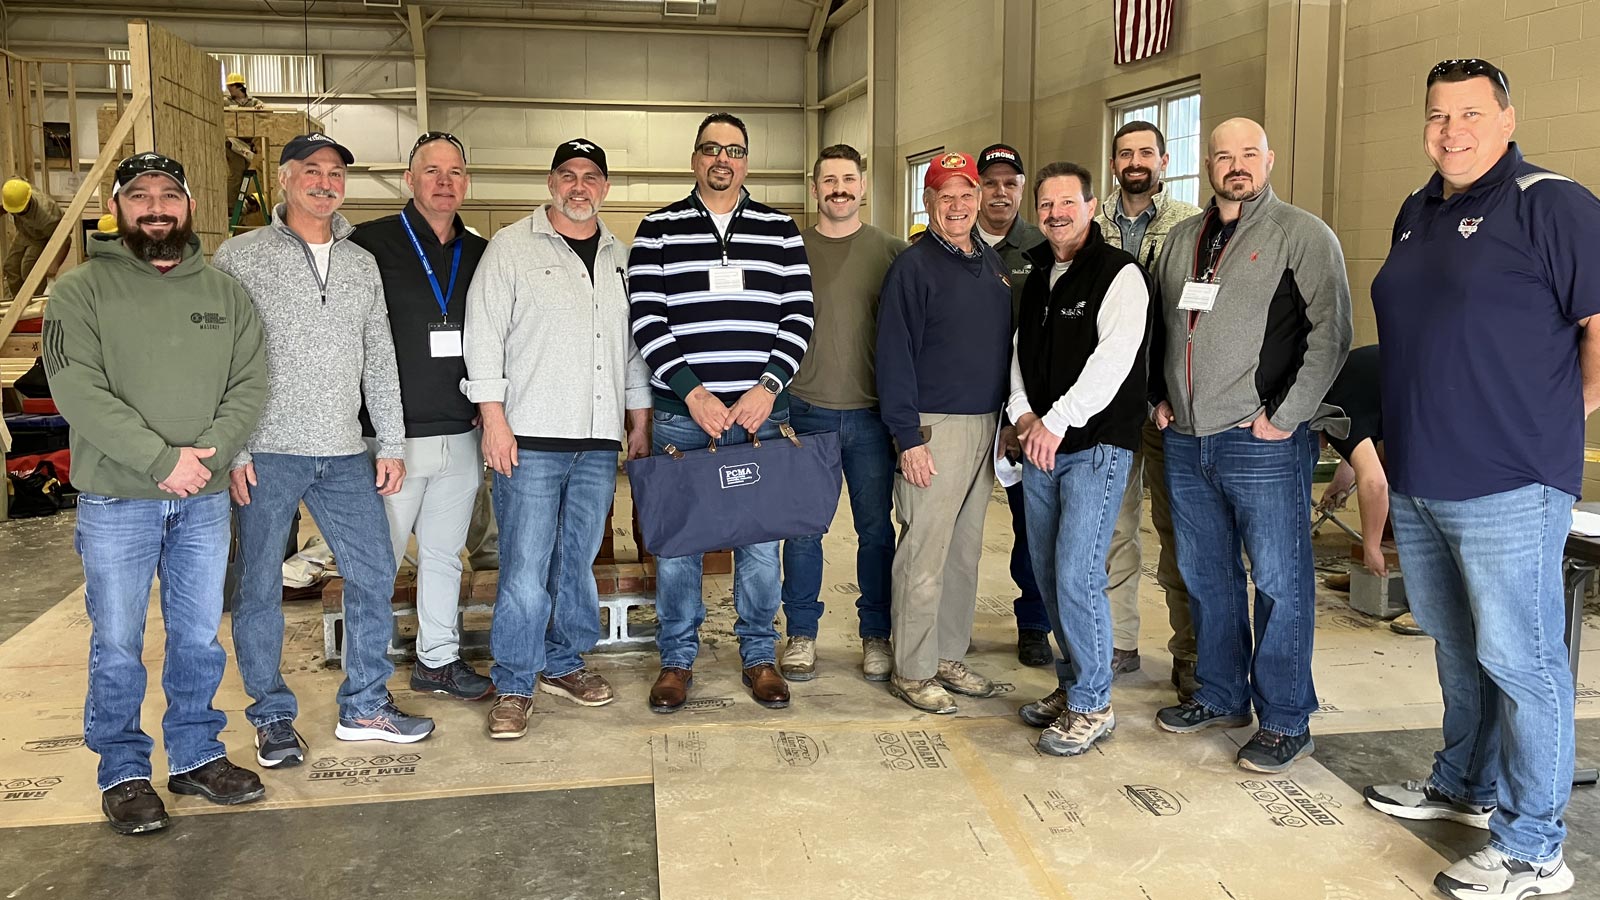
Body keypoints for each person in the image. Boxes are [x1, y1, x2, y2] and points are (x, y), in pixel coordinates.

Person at [1362, 58, 1599, 899]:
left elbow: (1598, 330)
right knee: (1459, 647)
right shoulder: (1415, 210)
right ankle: (1464, 782)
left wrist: (1553, 419)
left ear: (1506, 118)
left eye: (1469, 113)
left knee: (1523, 660)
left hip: (1508, 480)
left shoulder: (1552, 202)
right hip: (1424, 474)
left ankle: (1535, 848)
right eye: (1436, 116)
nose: (1450, 130)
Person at [45, 152, 268, 835]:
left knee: (199, 636)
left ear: (189, 206)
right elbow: (75, 390)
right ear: (119, 208)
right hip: (119, 500)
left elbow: (250, 383)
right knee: (117, 640)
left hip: (201, 499)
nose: (155, 206)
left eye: (169, 193)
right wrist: (159, 460)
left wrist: (208, 458)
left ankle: (196, 754)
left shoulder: (225, 293)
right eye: (139, 195)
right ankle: (123, 770)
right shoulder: (79, 292)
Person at [217, 132, 433, 769]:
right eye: (311, 170)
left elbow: (380, 358)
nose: (325, 181)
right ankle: (272, 717)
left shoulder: (360, 260)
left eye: (335, 172)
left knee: (372, 572)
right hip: (266, 451)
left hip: (343, 451)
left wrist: (388, 441)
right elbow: (224, 359)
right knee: (258, 587)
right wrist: (234, 450)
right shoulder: (240, 256)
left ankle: (365, 703)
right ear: (283, 178)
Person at [1149, 117, 1352, 773]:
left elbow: (1332, 334)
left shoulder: (1302, 235)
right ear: (1207, 164)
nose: (1236, 165)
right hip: (1186, 441)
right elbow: (1166, 328)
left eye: (1248, 154)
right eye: (1222, 155)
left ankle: (1287, 719)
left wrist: (1286, 417)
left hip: (1261, 442)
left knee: (1280, 583)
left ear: (1269, 158)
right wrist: (1161, 398)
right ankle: (1222, 694)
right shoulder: (1184, 238)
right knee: (1207, 578)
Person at [465, 137, 651, 738]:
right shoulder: (512, 249)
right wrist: (494, 419)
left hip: (597, 440)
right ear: (551, 183)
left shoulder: (620, 256)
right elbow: (484, 336)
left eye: (590, 176)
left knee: (574, 562)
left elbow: (630, 350)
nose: (579, 187)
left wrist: (638, 418)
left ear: (605, 188)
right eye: (568, 175)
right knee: (523, 565)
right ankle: (515, 682)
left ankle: (561, 660)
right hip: (531, 437)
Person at [628, 113, 814, 713]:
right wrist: (692, 392)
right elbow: (647, 319)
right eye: (711, 149)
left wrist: (766, 387)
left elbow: (799, 316)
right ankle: (677, 660)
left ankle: (759, 655)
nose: (722, 160)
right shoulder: (658, 229)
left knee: (759, 544)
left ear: (747, 162)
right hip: (687, 419)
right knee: (680, 544)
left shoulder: (781, 229)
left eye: (733, 150)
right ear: (695, 159)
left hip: (761, 417)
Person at [1009, 162, 1147, 757]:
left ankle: (1094, 702)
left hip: (1093, 447)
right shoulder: (1036, 273)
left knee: (1077, 572)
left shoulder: (1120, 274)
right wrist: (1021, 416)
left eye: (1068, 202)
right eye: (1046, 204)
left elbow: (1113, 362)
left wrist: (1056, 422)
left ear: (1093, 205)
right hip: (1041, 446)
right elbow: (1018, 353)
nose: (1056, 213)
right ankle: (1073, 687)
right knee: (1046, 572)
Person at [350, 131, 491, 702]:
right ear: (409, 179)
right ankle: (366, 678)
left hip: (460, 434)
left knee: (442, 556)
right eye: (431, 171)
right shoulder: (368, 243)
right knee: (377, 562)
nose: (443, 182)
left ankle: (437, 660)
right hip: (393, 438)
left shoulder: (480, 252)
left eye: (455, 172)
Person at [876, 151, 1013, 714]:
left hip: (986, 423)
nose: (956, 206)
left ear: (979, 198)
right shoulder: (913, 268)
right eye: (943, 196)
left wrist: (1007, 421)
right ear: (927, 203)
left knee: (963, 552)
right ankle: (912, 667)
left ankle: (947, 654)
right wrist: (908, 437)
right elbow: (893, 356)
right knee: (924, 553)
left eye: (965, 194)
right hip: (935, 428)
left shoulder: (993, 265)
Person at [777, 144, 907, 683]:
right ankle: (801, 634)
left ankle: (876, 634)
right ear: (815, 188)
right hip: (806, 414)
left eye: (848, 179)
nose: (839, 189)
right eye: (829, 180)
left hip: (872, 418)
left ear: (863, 186)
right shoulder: (789, 250)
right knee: (804, 532)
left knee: (876, 532)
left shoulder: (893, 252)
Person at [1094, 120, 1204, 693]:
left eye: (1145, 152)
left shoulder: (1191, 223)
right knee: (1114, 529)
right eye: (1124, 153)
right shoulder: (1092, 225)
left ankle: (1189, 652)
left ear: (1164, 157)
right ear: (1114, 163)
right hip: (1108, 404)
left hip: (1169, 403)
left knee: (1177, 530)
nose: (1135, 161)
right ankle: (1119, 641)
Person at [972, 143, 1053, 667]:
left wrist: (1021, 416)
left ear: (1022, 189)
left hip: (1024, 412)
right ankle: (940, 619)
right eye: (991, 181)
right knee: (951, 522)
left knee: (1033, 524)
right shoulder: (948, 243)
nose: (1000, 191)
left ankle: (1033, 623)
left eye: (1010, 182)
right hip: (961, 408)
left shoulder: (1044, 249)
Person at [2, 177, 63, 298]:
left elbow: (65, 239)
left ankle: (36, 303)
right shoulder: (14, 189)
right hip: (24, 232)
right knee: (10, 267)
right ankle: (17, 303)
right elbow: (13, 198)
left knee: (29, 272)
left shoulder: (47, 215)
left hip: (41, 237)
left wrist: (55, 264)